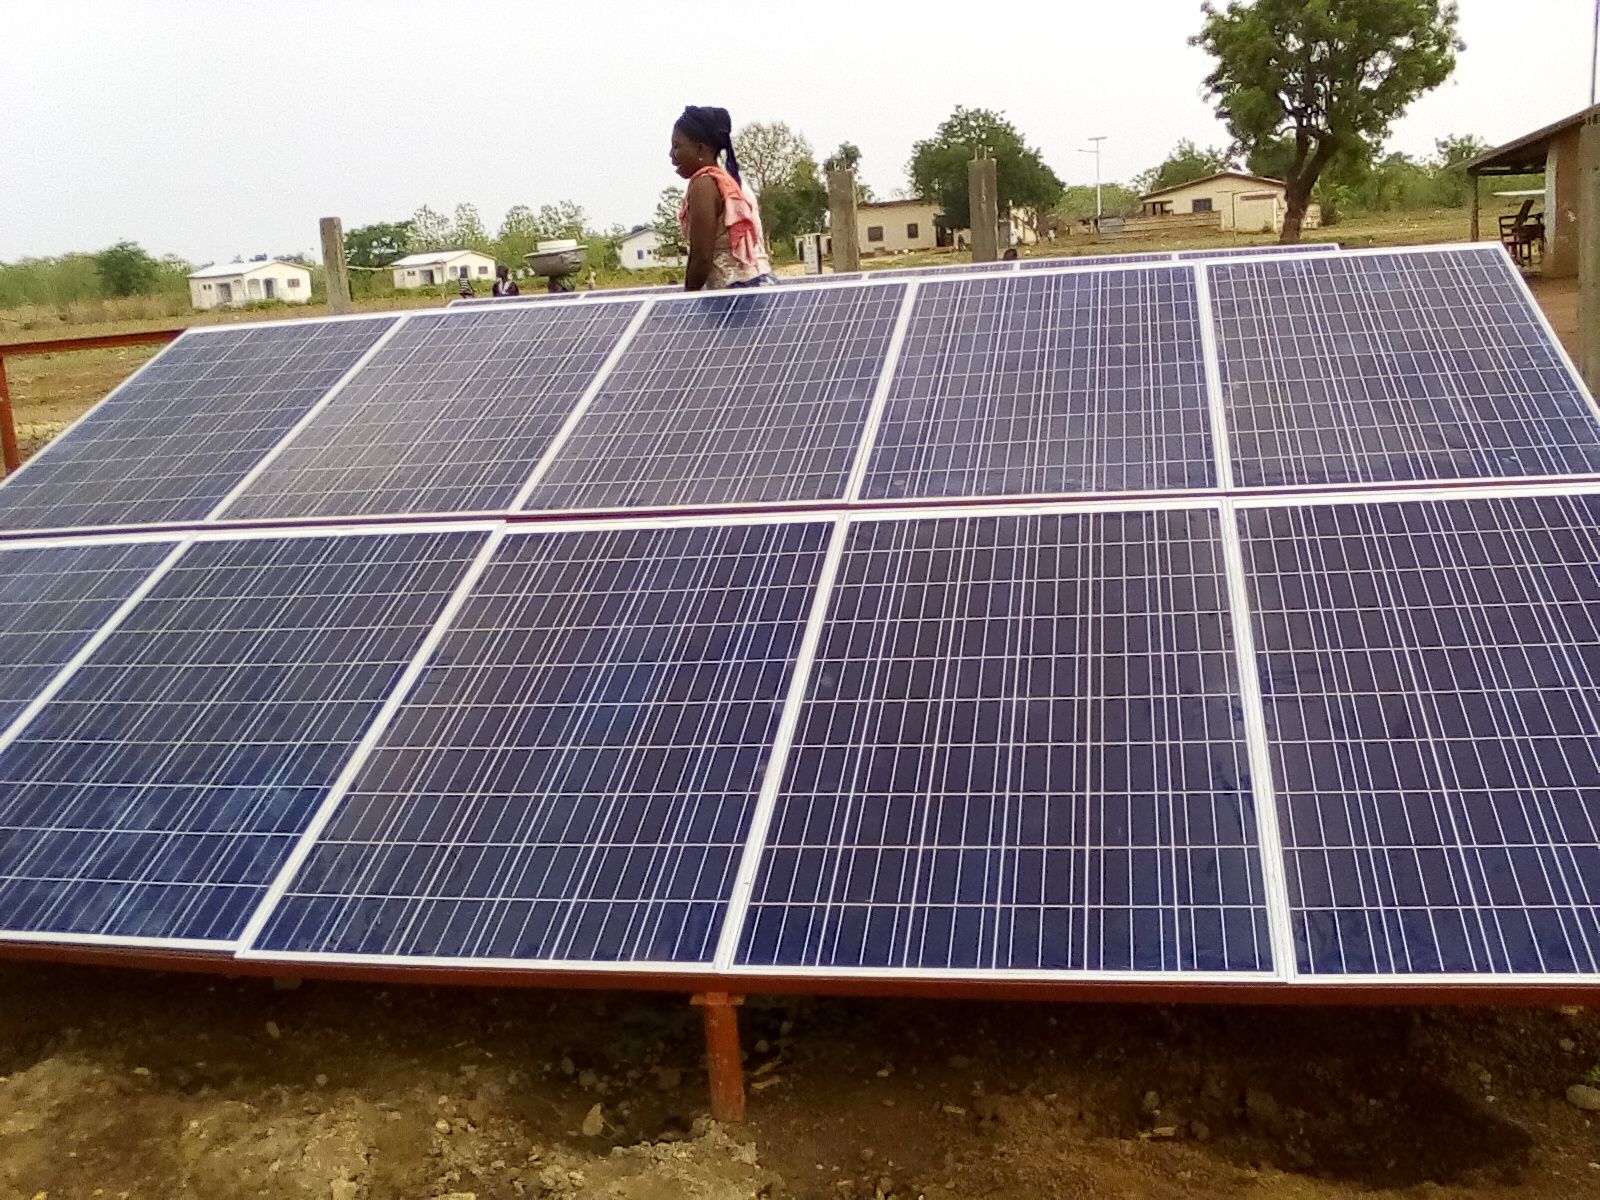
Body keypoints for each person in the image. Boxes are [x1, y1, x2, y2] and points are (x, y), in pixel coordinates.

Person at [670, 105, 777, 291]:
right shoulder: (733, 182)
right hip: (762, 286)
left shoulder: (704, 185)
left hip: (735, 297)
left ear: (700, 149)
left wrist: (686, 300)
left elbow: (701, 258)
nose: (671, 155)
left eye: (676, 146)